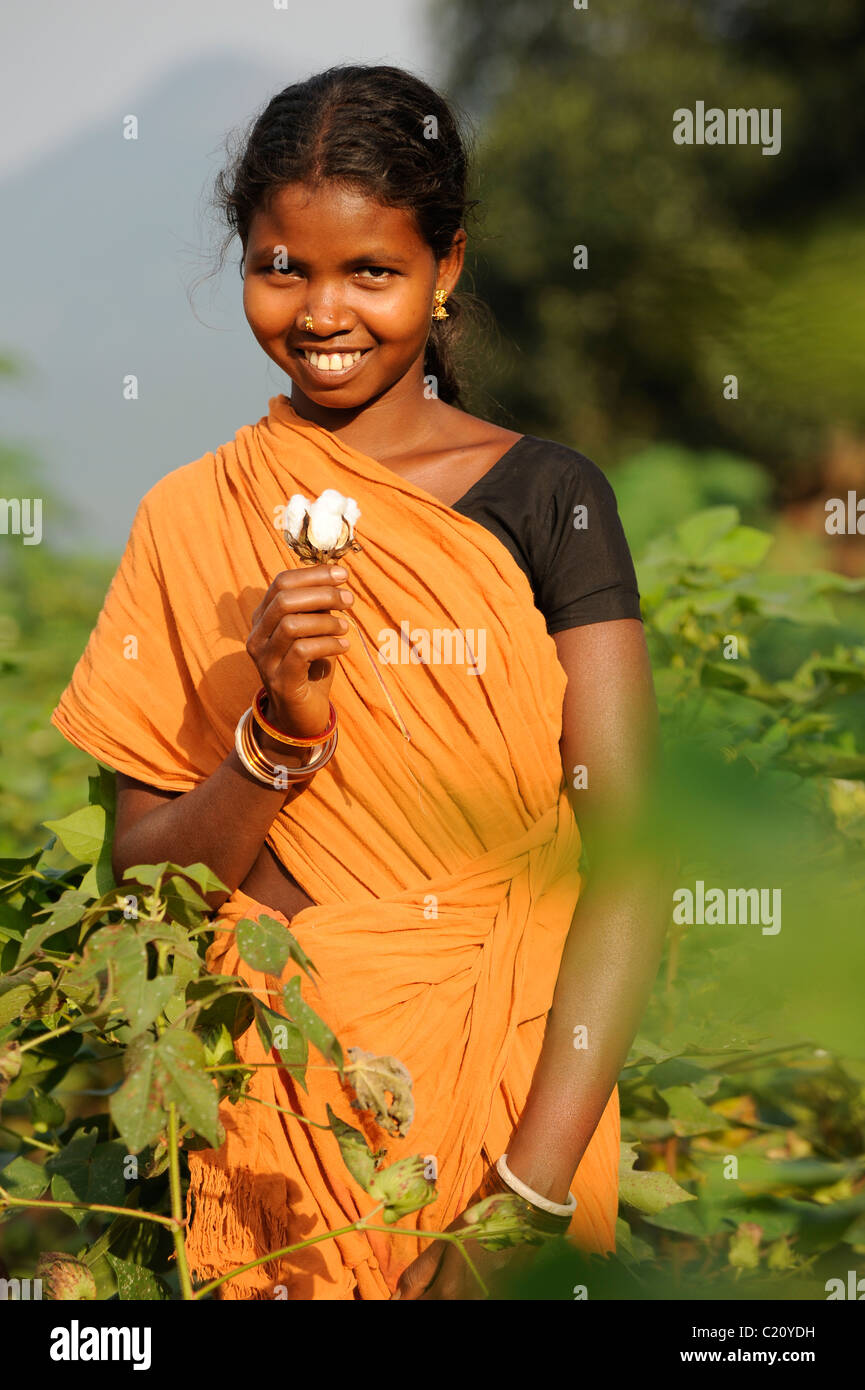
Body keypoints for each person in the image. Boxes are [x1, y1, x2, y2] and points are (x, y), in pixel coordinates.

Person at [50, 63, 667, 1301]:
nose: (323, 311)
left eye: (370, 272)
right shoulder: (189, 520)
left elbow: (631, 865)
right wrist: (274, 735)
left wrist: (514, 1214)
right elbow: (141, 881)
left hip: (508, 1109)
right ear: (245, 264)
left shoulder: (550, 502)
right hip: (270, 1115)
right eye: (283, 268)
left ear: (444, 272)